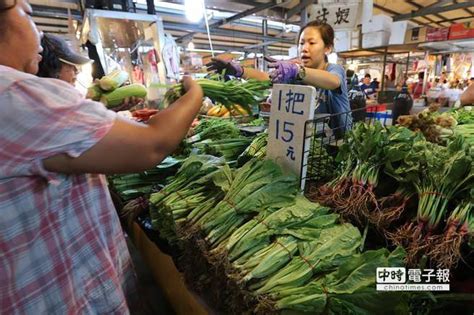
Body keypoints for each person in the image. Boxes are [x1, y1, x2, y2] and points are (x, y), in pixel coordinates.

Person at [0, 0, 204, 313]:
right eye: (28, 14)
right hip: (61, 301)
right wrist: (196, 93)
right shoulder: (14, 94)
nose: (39, 32)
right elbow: (152, 145)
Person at [206, 20, 351, 132]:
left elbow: (334, 81)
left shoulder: (334, 69)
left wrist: (297, 70)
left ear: (327, 48)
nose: (305, 48)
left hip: (337, 144)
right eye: (301, 43)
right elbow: (267, 78)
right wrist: (239, 71)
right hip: (307, 142)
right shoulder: (292, 73)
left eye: (312, 43)